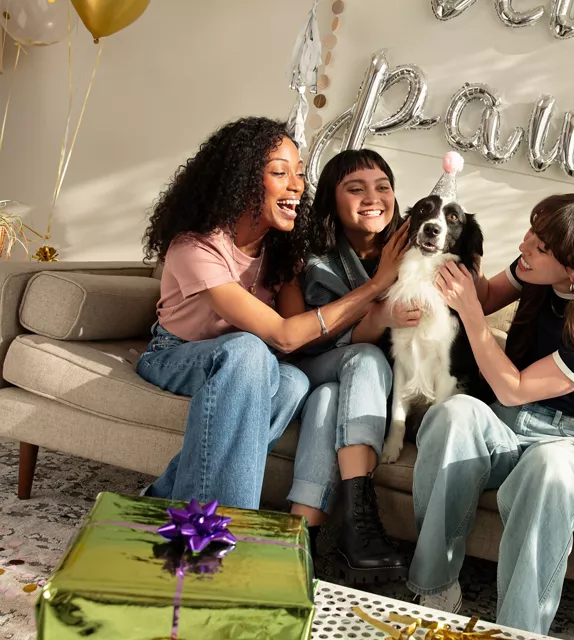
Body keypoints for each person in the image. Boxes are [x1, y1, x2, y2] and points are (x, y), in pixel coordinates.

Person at [405, 186, 574, 635]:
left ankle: (519, 630)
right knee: (454, 414)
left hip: (563, 442)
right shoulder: (534, 271)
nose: (523, 247)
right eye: (531, 235)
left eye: (539, 245)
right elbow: (485, 293)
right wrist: (455, 252)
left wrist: (473, 317)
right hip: (504, 427)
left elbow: (514, 388)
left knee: (549, 469)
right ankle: (435, 587)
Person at [139, 117, 331, 511]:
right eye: (280, 172)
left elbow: (292, 346)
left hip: (246, 364)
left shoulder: (278, 254)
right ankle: (224, 528)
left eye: (299, 173)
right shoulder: (195, 246)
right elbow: (283, 335)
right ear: (242, 180)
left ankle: (166, 503)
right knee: (247, 349)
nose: (297, 184)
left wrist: (294, 270)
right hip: (176, 354)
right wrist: (373, 288)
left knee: (293, 380)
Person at [275, 149, 412, 583]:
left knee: (331, 398)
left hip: (365, 388)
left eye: (382, 187)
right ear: (332, 203)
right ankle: (360, 522)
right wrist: (378, 295)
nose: (373, 197)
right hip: (308, 366)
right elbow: (297, 341)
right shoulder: (305, 253)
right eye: (355, 188)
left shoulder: (415, 250)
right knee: (362, 357)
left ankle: (302, 540)